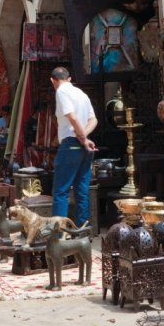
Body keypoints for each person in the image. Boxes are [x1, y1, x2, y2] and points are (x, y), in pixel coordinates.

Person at [50, 66, 97, 226]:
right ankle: (83, 230)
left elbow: (72, 117)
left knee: (61, 191)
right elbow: (93, 120)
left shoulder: (61, 91)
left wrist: (82, 138)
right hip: (82, 145)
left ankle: (58, 232)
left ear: (53, 81)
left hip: (72, 144)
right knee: (81, 190)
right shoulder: (81, 93)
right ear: (69, 78)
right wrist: (84, 137)